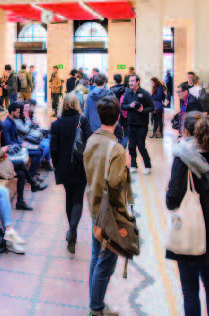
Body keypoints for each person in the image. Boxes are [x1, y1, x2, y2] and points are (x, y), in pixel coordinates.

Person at [165, 112, 209, 316]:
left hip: (191, 232)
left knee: (190, 290)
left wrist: (169, 190)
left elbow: (172, 200)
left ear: (185, 131)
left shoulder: (183, 158)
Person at [84, 96, 132, 316]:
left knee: (97, 256)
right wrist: (126, 166)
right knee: (105, 263)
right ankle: (96, 308)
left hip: (94, 205)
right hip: (110, 213)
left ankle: (95, 303)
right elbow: (115, 183)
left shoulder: (92, 139)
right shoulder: (116, 149)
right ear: (118, 116)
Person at [50, 93, 93, 254]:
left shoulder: (56, 124)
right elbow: (90, 142)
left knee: (69, 196)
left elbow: (53, 149)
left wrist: (56, 166)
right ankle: (73, 230)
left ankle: (71, 233)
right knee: (78, 199)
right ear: (77, 104)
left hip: (64, 167)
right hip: (80, 166)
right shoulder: (83, 121)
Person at [0, 119, 47, 211]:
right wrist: (3, 150)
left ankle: (20, 202)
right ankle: (33, 183)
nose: (0, 133)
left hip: (0, 164)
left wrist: (3, 150)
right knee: (20, 163)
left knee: (21, 174)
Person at [121, 75, 154, 174]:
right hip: (131, 123)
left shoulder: (145, 94)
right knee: (131, 146)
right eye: (129, 81)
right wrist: (129, 105)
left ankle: (147, 165)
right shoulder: (127, 93)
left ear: (138, 82)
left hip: (142, 124)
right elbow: (123, 106)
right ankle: (133, 165)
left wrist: (143, 110)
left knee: (141, 145)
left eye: (132, 81)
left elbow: (152, 107)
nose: (130, 83)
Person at [3, 103, 43, 177]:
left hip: (18, 145)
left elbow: (15, 138)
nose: (19, 114)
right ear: (12, 112)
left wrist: (21, 143)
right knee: (38, 153)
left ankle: (32, 173)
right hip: (13, 149)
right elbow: (7, 142)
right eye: (18, 112)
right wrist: (20, 145)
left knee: (40, 150)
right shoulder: (7, 123)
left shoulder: (12, 121)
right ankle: (31, 175)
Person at [15, 102, 53, 171]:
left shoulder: (28, 115)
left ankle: (46, 163)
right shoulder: (19, 119)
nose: (26, 109)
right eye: (25, 108)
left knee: (48, 140)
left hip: (30, 136)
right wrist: (28, 120)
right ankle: (37, 165)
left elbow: (32, 126)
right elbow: (25, 131)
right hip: (26, 139)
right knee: (45, 145)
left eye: (27, 108)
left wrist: (35, 126)